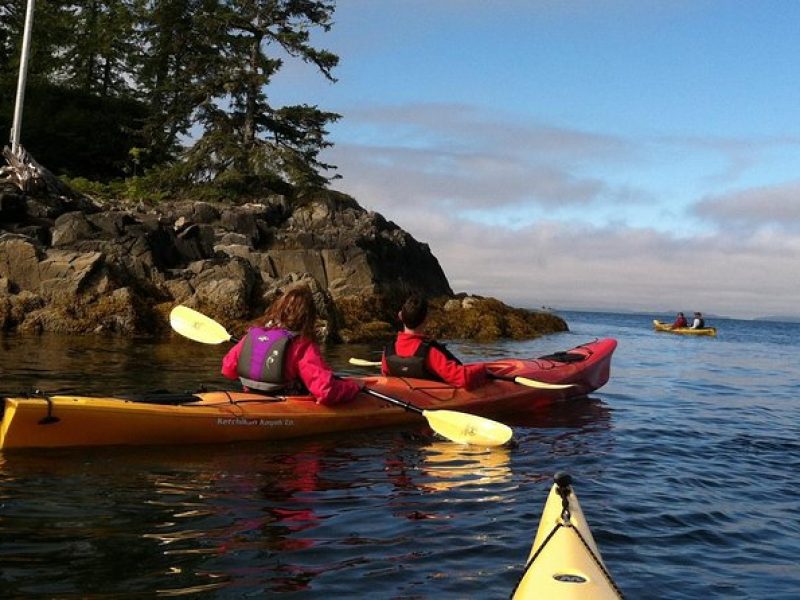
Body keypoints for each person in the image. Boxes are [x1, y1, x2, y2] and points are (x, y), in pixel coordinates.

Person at [221, 285, 361, 405]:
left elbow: (228, 369)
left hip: (249, 399)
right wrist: (353, 388)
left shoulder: (252, 335)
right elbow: (326, 391)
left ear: (279, 310)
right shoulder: (302, 345)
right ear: (309, 317)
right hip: (283, 403)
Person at [381, 294, 487, 390]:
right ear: (426, 320)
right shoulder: (430, 352)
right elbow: (464, 379)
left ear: (401, 316)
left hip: (404, 395)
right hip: (431, 399)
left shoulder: (388, 350)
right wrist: (483, 369)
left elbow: (386, 377)